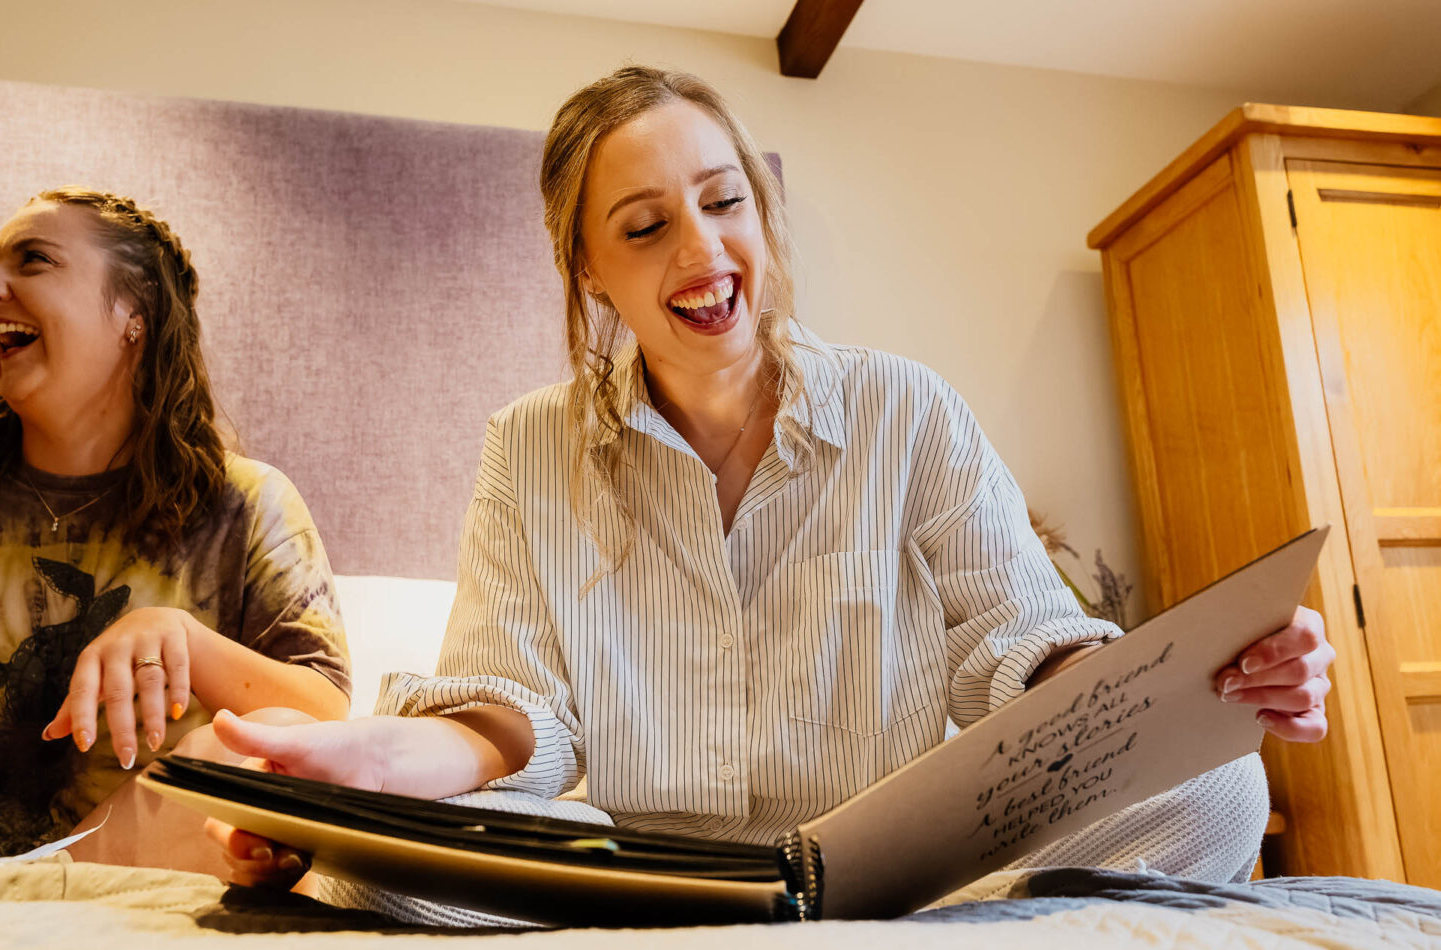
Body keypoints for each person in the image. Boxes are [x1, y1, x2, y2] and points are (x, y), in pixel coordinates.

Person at [205, 67, 1334, 902]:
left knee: (1222, 787)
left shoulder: (909, 406)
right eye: (645, 227)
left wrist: (1178, 691)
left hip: (892, 869)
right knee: (368, 874)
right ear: (591, 273)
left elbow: (1026, 643)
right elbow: (511, 709)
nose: (701, 250)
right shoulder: (528, 448)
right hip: (639, 881)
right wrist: (374, 777)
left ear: (760, 208)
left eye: (724, 200)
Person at [0, 187, 350, 860]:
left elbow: (322, 719)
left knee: (271, 743)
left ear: (134, 313)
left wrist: (183, 636)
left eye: (33, 260)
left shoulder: (244, 504)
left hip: (120, 854)